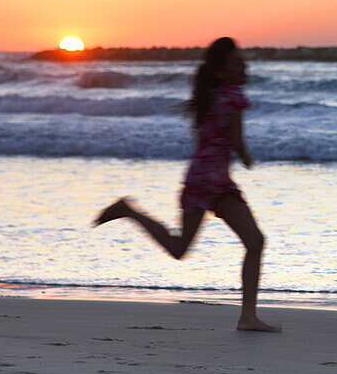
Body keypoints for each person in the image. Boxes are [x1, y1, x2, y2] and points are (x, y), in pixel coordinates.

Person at [93, 37, 280, 332]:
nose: (243, 65)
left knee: (180, 248)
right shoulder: (232, 96)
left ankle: (130, 211)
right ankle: (247, 317)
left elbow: (206, 141)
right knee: (256, 242)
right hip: (214, 182)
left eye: (242, 60)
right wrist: (247, 158)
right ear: (221, 72)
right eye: (235, 62)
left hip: (197, 177)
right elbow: (237, 142)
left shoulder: (207, 98)